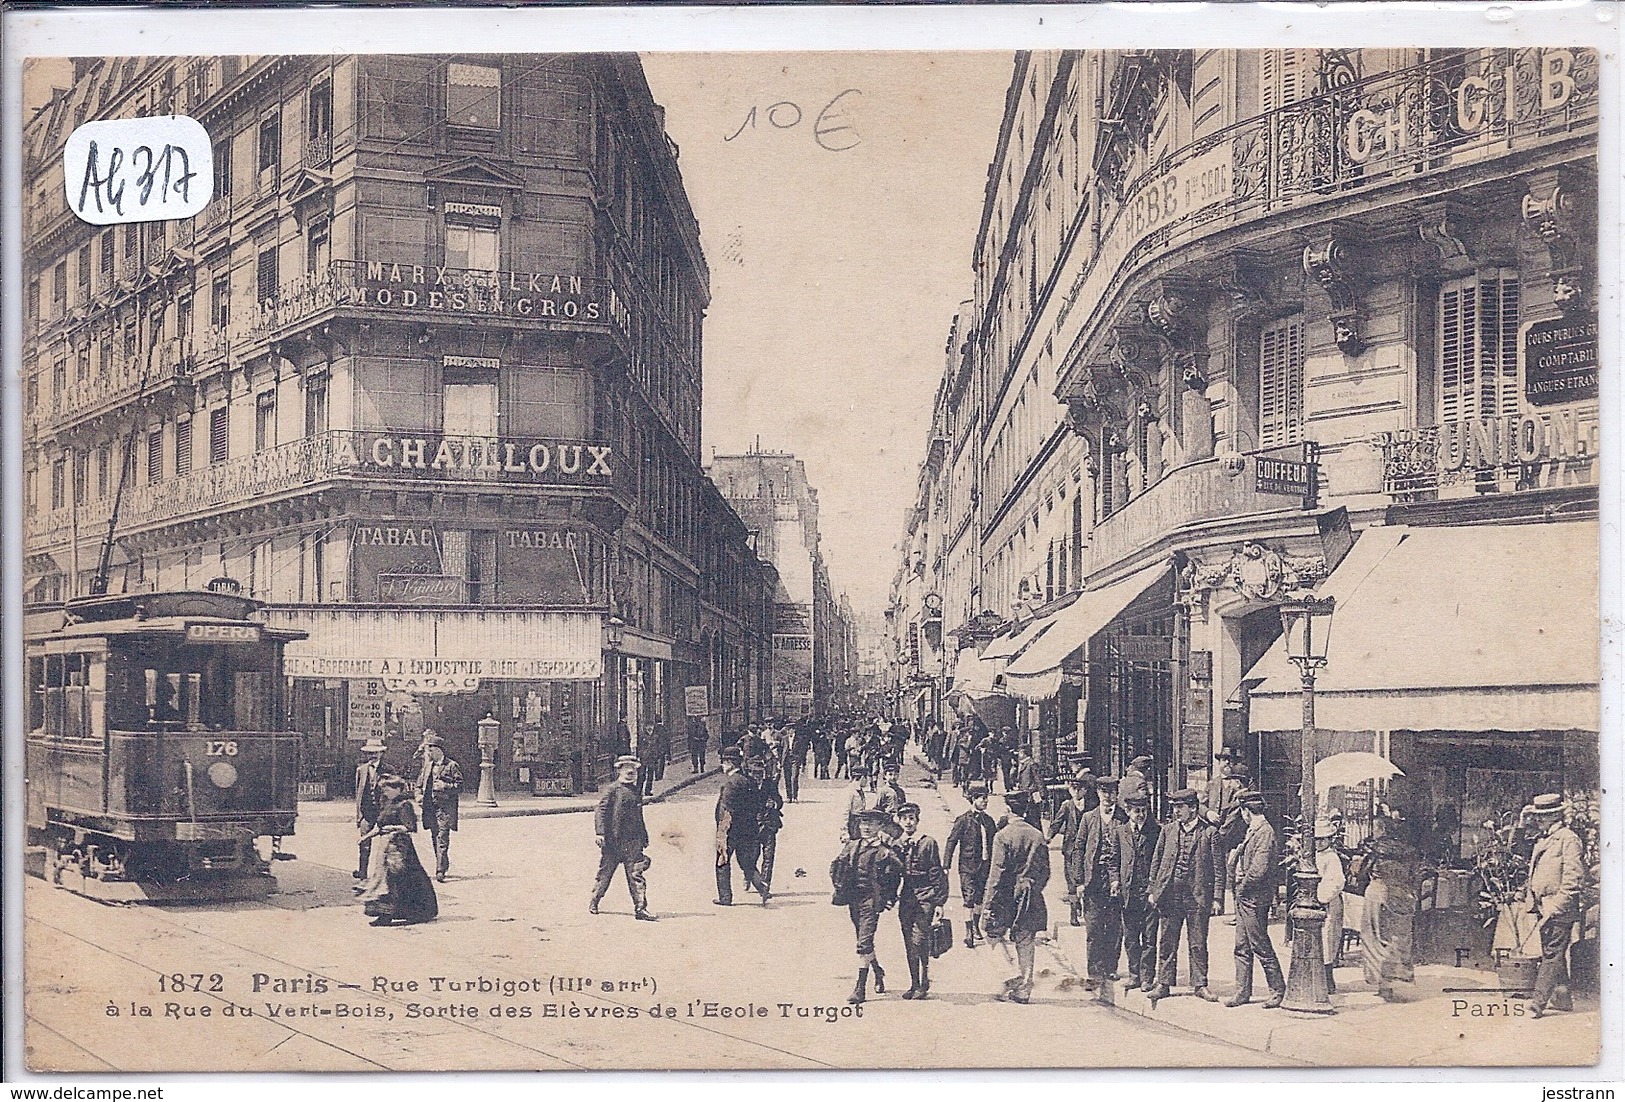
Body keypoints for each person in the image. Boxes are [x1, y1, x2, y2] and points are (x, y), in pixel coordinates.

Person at [1147, 788, 1221, 1003]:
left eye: (1180, 807)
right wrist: (1153, 889)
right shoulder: (1168, 831)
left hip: (1196, 897)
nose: (1176, 812)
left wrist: (1217, 898)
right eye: (1175, 808)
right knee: (1167, 940)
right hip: (1170, 894)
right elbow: (1157, 861)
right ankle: (1164, 983)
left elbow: (1218, 868)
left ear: (1193, 808)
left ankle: (1200, 984)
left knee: (1198, 942)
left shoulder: (1209, 833)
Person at [980, 791, 1051, 1004]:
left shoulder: (1002, 836)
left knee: (991, 933)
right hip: (1030, 893)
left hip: (1006, 894)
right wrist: (1033, 887)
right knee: (1026, 939)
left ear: (1009, 810)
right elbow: (1045, 871)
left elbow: (996, 873)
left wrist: (987, 904)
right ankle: (1024, 989)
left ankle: (1008, 975)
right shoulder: (1037, 835)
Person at [831, 809, 903, 1005]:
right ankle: (878, 971)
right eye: (863, 823)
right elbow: (836, 867)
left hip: (872, 901)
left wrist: (890, 896)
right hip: (854, 899)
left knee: (864, 942)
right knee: (864, 942)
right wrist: (839, 883)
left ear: (880, 826)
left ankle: (860, 988)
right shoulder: (852, 846)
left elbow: (898, 872)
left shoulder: (885, 851)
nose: (866, 827)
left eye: (871, 824)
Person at [1523, 793, 1584, 1018]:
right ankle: (1563, 996)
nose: (1537, 821)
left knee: (1552, 954)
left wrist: (1556, 906)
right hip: (1543, 905)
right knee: (1552, 951)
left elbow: (1573, 878)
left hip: (1559, 907)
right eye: (1537, 817)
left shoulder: (1568, 839)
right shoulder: (1545, 838)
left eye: (1542, 817)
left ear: (1554, 816)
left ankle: (1537, 1003)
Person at [1225, 790, 1285, 1008]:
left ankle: (1278, 990)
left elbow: (1258, 871)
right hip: (1246, 897)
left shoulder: (1264, 833)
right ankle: (1242, 992)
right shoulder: (1255, 830)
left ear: (1246, 811)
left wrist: (1240, 887)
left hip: (1254, 898)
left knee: (1259, 944)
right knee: (1241, 945)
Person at [357, 776, 438, 926]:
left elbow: (410, 828)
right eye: (383, 789)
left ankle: (413, 912)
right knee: (383, 880)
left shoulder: (404, 805)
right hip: (385, 848)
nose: (384, 791)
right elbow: (380, 826)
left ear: (398, 789)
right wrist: (365, 837)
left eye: (387, 788)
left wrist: (393, 829)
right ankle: (384, 915)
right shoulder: (387, 804)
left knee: (399, 880)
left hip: (400, 848)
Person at [1360, 811, 1420, 1002]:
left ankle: (1382, 983)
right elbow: (1415, 874)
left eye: (1375, 828)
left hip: (1379, 892)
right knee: (1398, 937)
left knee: (1375, 937)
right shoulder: (1408, 851)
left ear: (1382, 830)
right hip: (1403, 894)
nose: (1373, 831)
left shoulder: (1374, 849)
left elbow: (1362, 872)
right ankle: (1395, 980)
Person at [894, 803, 949, 999]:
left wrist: (940, 902)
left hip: (926, 895)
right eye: (905, 818)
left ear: (917, 821)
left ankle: (924, 980)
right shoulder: (897, 845)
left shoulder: (928, 843)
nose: (908, 822)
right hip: (907, 897)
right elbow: (892, 874)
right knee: (908, 941)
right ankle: (914, 983)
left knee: (919, 939)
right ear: (899, 821)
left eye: (912, 818)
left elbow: (937, 873)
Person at [1076, 775, 1126, 990]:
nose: (1107, 797)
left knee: (1115, 926)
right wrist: (1078, 881)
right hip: (1093, 881)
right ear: (1097, 794)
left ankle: (1110, 967)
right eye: (1103, 792)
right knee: (1094, 927)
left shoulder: (1123, 817)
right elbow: (1078, 848)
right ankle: (1094, 973)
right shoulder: (1088, 818)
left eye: (1111, 792)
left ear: (1116, 794)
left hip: (1116, 881)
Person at [591, 755, 655, 920]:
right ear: (618, 770)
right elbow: (601, 811)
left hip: (633, 842)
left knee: (636, 875)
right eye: (626, 767)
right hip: (613, 841)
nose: (630, 771)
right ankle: (595, 900)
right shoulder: (612, 789)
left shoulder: (635, 791)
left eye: (633, 768)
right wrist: (600, 833)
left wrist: (644, 836)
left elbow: (638, 816)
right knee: (605, 874)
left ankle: (641, 908)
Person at [1114, 791, 1162, 991]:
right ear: (1128, 811)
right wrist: (1115, 880)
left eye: (1143, 811)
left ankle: (1147, 978)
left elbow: (1161, 863)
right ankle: (1134, 974)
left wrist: (1154, 889)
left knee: (1149, 938)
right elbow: (1113, 860)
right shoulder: (1120, 831)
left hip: (1149, 894)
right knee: (1131, 937)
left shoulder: (1156, 831)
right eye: (1136, 811)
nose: (1140, 815)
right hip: (1128, 894)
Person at [944, 783, 998, 948]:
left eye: (986, 798)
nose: (985, 801)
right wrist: (946, 865)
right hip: (967, 866)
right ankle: (968, 933)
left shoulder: (988, 821)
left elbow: (995, 843)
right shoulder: (963, 820)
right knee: (969, 898)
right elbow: (951, 842)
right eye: (982, 798)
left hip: (984, 866)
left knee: (980, 899)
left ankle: (975, 925)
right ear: (973, 799)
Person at [714, 748, 769, 906]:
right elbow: (758, 804)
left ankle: (725, 897)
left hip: (731, 830)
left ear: (730, 763)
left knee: (722, 862)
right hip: (748, 829)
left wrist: (721, 835)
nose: (723, 766)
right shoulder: (749, 780)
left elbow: (726, 811)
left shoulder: (730, 783)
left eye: (724, 762)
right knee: (746, 862)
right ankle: (762, 887)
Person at [1200, 748, 1246, 914]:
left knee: (1232, 872)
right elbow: (1199, 805)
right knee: (1210, 869)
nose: (1226, 763)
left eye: (1230, 760)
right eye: (1223, 760)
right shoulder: (1211, 784)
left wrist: (1220, 835)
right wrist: (1208, 813)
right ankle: (1215, 905)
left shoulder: (1240, 786)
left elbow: (1235, 815)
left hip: (1232, 838)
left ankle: (1237, 911)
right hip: (1213, 835)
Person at [1048, 771, 1094, 927]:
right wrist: (1049, 836)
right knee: (1071, 881)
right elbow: (1056, 822)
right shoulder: (1066, 806)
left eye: (1079, 789)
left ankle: (1085, 907)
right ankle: (1073, 912)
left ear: (1085, 791)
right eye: (1073, 789)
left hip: (1087, 849)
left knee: (1086, 878)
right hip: (1070, 849)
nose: (1076, 792)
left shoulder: (1091, 807)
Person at [416, 736, 462, 883]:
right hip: (430, 808)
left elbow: (460, 786)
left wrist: (446, 786)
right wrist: (418, 796)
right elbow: (418, 785)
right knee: (434, 836)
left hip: (445, 809)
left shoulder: (451, 766)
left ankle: (440, 870)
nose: (428, 752)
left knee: (442, 838)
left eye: (431, 749)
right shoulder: (427, 767)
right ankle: (442, 863)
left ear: (438, 749)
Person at [1311, 819, 1347, 993]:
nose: (1319, 843)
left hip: (1328, 902)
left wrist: (1322, 897)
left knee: (1328, 939)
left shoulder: (1332, 857)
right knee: (1319, 940)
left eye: (1323, 839)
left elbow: (1336, 881)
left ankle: (1328, 979)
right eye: (1316, 839)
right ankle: (1319, 978)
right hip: (1317, 902)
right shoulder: (1315, 855)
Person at [749, 755, 786, 894]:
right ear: (750, 772)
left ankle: (765, 885)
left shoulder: (769, 784)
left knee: (768, 856)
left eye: (760, 772)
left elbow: (779, 801)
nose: (758, 775)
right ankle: (749, 876)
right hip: (752, 826)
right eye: (755, 772)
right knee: (752, 856)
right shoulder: (747, 785)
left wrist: (775, 804)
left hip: (769, 824)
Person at [353, 737, 386, 881]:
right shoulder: (361, 770)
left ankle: (384, 876)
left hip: (383, 814)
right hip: (367, 814)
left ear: (381, 754)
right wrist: (358, 816)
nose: (372, 756)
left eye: (375, 753)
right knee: (364, 844)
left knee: (385, 846)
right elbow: (358, 794)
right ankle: (362, 873)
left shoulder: (388, 770)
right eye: (369, 753)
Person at [782, 722, 809, 802]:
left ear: (793, 730)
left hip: (795, 759)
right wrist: (781, 760)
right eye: (787, 729)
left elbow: (803, 751)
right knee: (787, 778)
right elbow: (781, 749)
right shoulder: (784, 738)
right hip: (786, 760)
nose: (788, 731)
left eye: (790, 729)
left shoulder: (799, 739)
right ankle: (788, 796)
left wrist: (802, 761)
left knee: (794, 778)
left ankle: (794, 796)